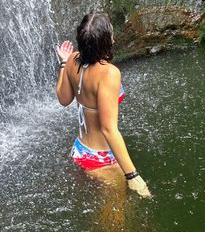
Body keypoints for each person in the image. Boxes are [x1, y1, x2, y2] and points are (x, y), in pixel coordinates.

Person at [55, 12, 151, 198]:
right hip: (101, 159)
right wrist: (133, 175)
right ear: (107, 40)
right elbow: (109, 129)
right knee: (116, 222)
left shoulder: (72, 60)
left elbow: (63, 99)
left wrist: (63, 63)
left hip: (80, 150)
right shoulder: (109, 74)